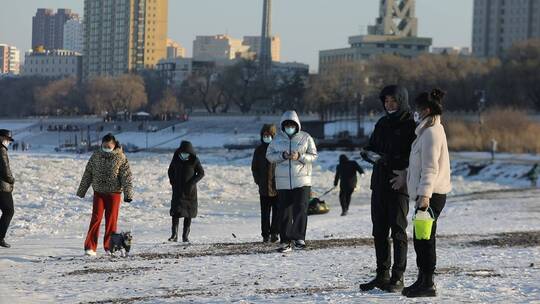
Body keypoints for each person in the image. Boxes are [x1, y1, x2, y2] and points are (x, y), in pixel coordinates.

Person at [359, 85, 416, 293]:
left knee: (398, 231)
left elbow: (413, 156)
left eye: (393, 101)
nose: (389, 105)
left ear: (401, 100)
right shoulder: (382, 123)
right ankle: (381, 275)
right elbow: (372, 145)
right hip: (379, 184)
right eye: (386, 101)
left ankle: (398, 276)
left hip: (398, 184)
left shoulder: (410, 125)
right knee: (379, 231)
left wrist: (388, 160)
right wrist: (367, 153)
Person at [402, 89, 452, 298]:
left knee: (425, 239)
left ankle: (427, 282)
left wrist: (424, 196)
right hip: (429, 194)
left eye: (418, 109)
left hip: (431, 195)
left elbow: (430, 168)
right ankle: (422, 279)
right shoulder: (427, 130)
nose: (415, 112)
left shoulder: (432, 132)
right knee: (422, 238)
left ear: (427, 110)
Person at [266, 110, 318, 253]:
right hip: (283, 182)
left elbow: (313, 156)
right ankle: (285, 241)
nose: (290, 127)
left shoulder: (306, 137)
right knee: (284, 212)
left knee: (301, 209)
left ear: (297, 125)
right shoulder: (276, 139)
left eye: (292, 125)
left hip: (302, 180)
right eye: (287, 125)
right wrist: (282, 155)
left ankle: (299, 238)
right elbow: (269, 156)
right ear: (282, 126)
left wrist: (299, 156)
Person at [77, 134, 134, 256]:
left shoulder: (121, 157)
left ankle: (110, 246)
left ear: (114, 145)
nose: (106, 148)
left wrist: (128, 194)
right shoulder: (96, 156)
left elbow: (126, 177)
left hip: (114, 194)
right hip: (99, 193)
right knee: (96, 218)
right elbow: (88, 173)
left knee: (111, 220)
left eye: (109, 146)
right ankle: (90, 247)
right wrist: (82, 190)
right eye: (104, 146)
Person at [168, 141, 205, 243]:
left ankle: (185, 236)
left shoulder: (194, 160)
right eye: (183, 152)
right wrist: (173, 181)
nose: (184, 154)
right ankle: (174, 235)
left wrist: (192, 183)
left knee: (189, 214)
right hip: (178, 190)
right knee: (175, 212)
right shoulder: (176, 158)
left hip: (190, 192)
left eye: (187, 152)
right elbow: (170, 170)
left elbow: (201, 173)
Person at [251, 124, 280, 243]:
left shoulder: (278, 149)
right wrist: (258, 181)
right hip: (263, 187)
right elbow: (254, 168)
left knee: (277, 212)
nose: (266, 137)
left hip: (277, 187)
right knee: (265, 213)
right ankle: (265, 234)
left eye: (269, 135)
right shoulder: (259, 150)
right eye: (265, 135)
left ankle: (275, 233)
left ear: (273, 136)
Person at [0, 129, 15, 248]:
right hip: (2, 186)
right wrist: (11, 180)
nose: (8, 142)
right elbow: (5, 169)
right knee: (9, 211)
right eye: (7, 139)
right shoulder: (1, 150)